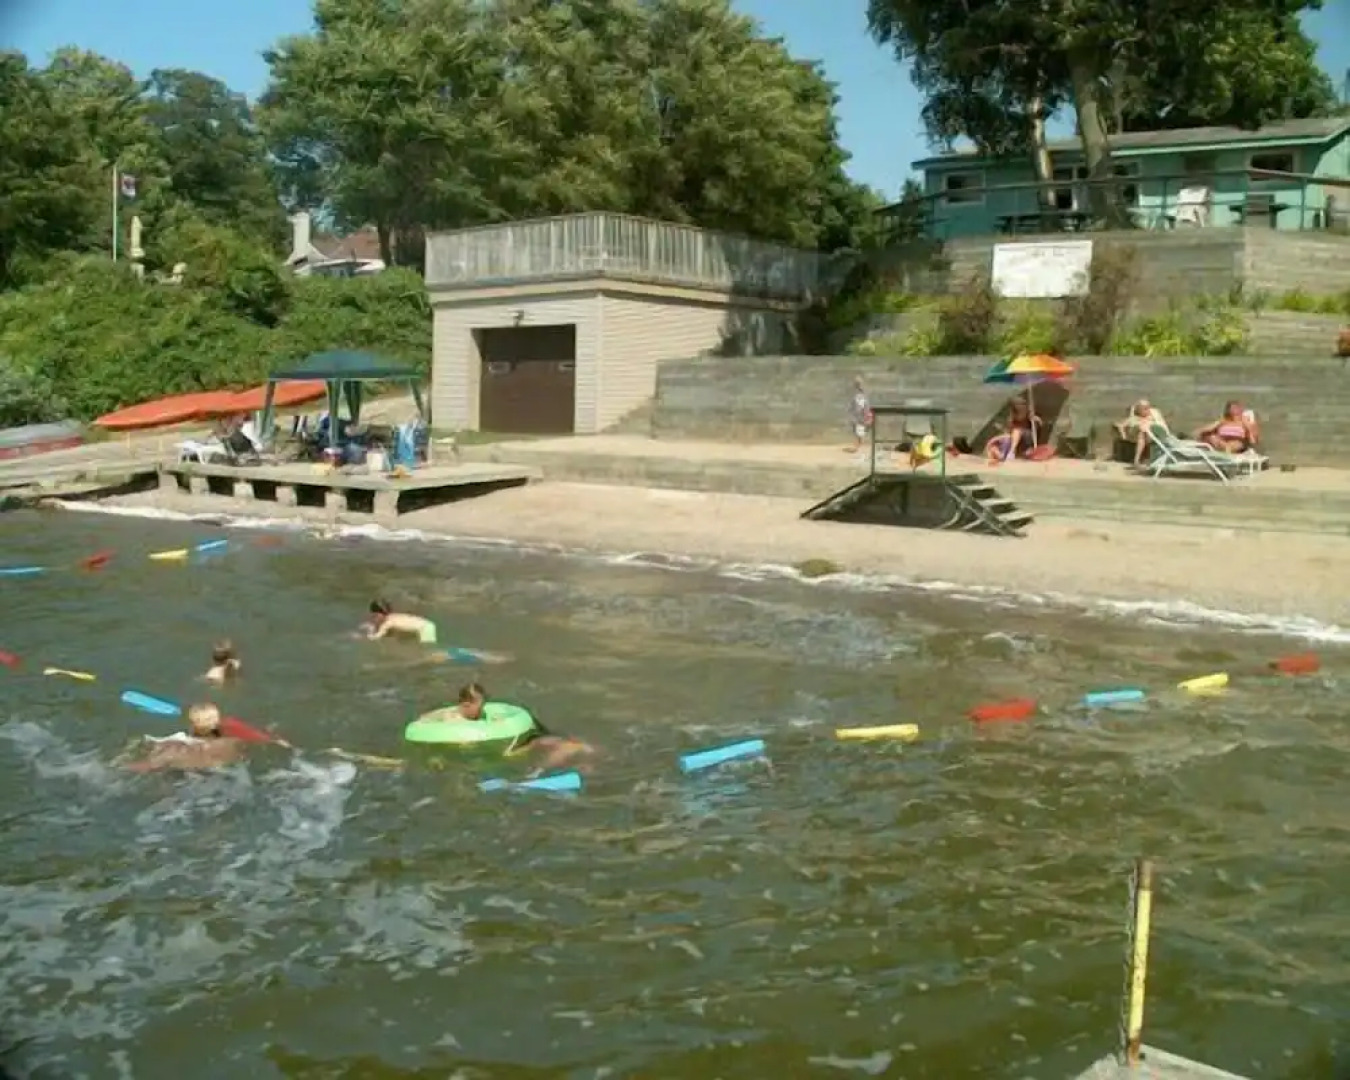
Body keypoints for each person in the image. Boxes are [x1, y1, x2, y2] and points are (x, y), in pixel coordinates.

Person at [457, 682, 595, 775]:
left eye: (483, 704)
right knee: (568, 746)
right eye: (478, 705)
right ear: (465, 704)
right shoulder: (453, 720)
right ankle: (538, 772)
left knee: (577, 745)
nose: (482, 709)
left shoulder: (486, 715)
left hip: (517, 743)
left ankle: (574, 763)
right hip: (508, 750)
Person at [123, 703, 246, 773]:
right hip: (223, 774)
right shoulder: (233, 742)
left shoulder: (177, 746)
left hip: (187, 776)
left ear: (192, 724)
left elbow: (149, 766)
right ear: (218, 721)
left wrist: (123, 767)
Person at [1113, 399, 1168, 465]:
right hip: (1144, 435)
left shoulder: (1154, 415)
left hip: (1155, 433)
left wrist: (1148, 425)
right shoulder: (1134, 418)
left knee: (1143, 432)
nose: (1147, 410)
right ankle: (1137, 460)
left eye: (1148, 407)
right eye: (1144, 408)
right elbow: (1121, 425)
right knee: (1142, 433)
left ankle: (1138, 460)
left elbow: (1162, 425)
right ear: (1139, 410)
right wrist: (1123, 435)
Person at [364, 599, 438, 644]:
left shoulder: (388, 623)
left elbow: (374, 638)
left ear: (379, 614)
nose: (374, 618)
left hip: (425, 628)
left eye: (375, 615)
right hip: (427, 624)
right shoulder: (394, 617)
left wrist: (369, 630)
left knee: (429, 651)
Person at [844, 376, 871, 455]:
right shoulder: (858, 393)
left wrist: (864, 414)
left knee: (858, 429)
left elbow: (861, 405)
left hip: (859, 415)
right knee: (858, 429)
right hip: (859, 414)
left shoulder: (860, 394)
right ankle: (857, 446)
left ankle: (857, 447)